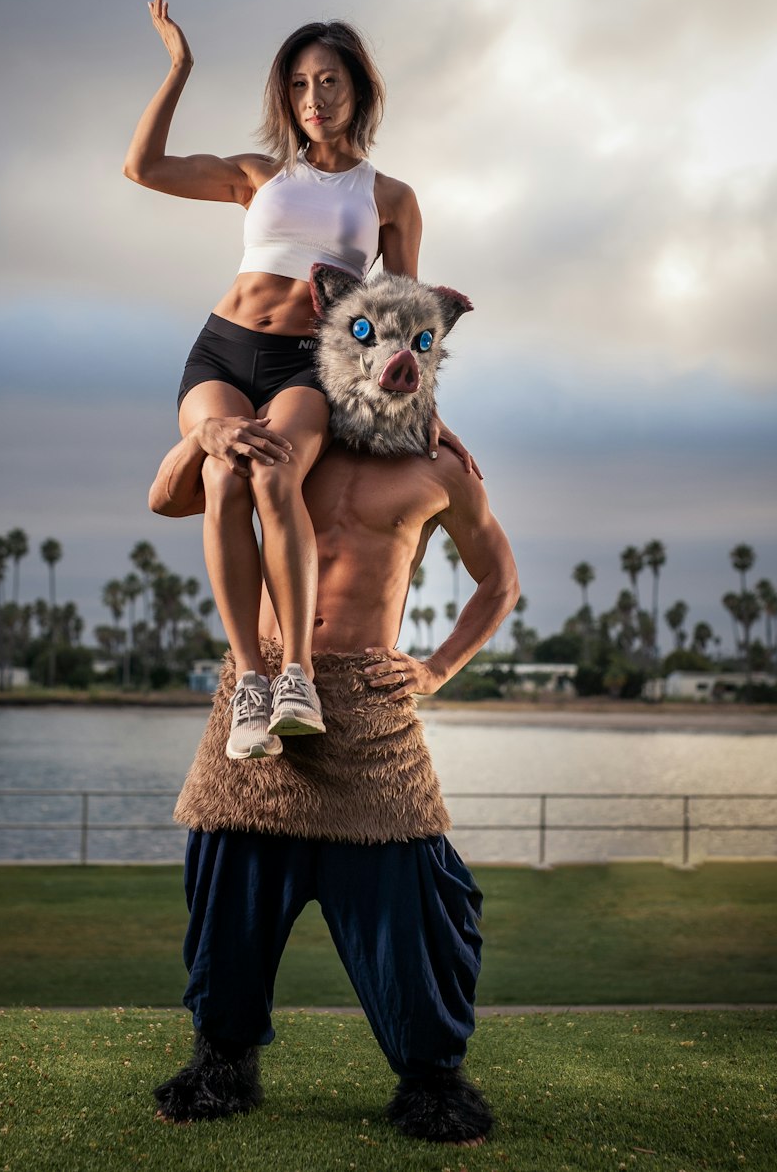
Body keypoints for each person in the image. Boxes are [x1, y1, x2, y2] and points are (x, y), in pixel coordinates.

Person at [144, 270, 519, 1146]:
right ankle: (221, 1063)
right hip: (263, 689)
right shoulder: (285, 435)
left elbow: (498, 581)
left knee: (414, 905)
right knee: (228, 890)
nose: (388, 354)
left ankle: (432, 1080)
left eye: (410, 342)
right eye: (369, 335)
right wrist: (207, 429)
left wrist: (434, 671)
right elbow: (167, 497)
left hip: (369, 714)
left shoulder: (438, 467)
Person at [124, 0, 458, 760]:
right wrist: (179, 69)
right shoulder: (258, 175)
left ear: (359, 92)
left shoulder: (390, 198)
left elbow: (403, 320)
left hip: (306, 366)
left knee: (270, 476)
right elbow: (141, 168)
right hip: (221, 349)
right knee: (220, 477)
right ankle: (251, 683)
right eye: (301, 85)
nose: (314, 99)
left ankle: (295, 678)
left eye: (330, 82)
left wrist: (426, 412)